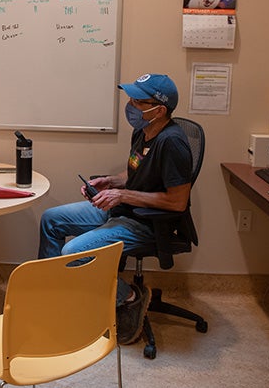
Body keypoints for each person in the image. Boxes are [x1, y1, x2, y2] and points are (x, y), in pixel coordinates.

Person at [38, 73, 192, 344]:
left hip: (147, 222)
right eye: (130, 99)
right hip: (125, 209)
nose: (131, 105)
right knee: (52, 220)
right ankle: (55, 298)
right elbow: (136, 173)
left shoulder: (172, 143)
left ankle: (129, 296)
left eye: (139, 101)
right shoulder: (142, 131)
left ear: (160, 110)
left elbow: (177, 201)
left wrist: (122, 195)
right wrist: (110, 182)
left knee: (72, 252)